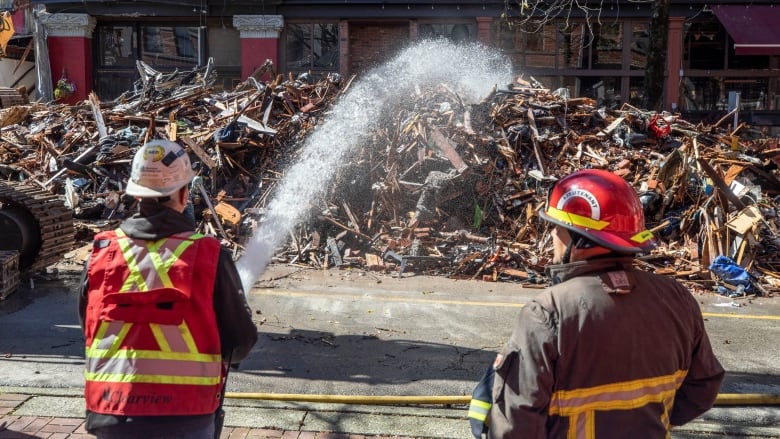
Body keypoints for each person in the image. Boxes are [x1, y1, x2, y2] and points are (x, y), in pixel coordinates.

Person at [469, 169, 724, 438]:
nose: (552, 237)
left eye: (557, 227)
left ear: (580, 239)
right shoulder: (677, 298)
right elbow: (703, 386)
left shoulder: (547, 312)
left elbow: (515, 425)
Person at [77, 139, 258, 438]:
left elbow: (89, 326)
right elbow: (239, 340)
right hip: (186, 417)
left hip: (111, 413)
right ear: (184, 193)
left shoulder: (102, 252)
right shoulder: (209, 255)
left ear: (135, 194)